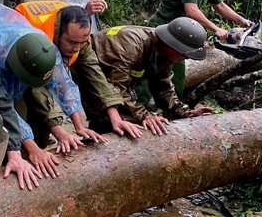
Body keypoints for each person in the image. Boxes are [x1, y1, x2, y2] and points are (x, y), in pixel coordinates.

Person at [0, 3, 92, 185]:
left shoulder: (42, 46)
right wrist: (32, 147)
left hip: (12, 83)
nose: (77, 47)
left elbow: (62, 84)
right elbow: (1, 105)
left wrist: (78, 125)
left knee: (20, 136)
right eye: (73, 42)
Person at [14, 0, 144, 146]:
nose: (77, 48)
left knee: (43, 129)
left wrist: (115, 117)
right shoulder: (36, 38)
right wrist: (60, 132)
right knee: (22, 118)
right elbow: (38, 88)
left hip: (42, 51)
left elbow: (95, 74)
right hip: (19, 59)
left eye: (82, 43)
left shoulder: (77, 35)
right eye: (72, 42)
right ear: (59, 33)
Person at [82, 18, 215, 136]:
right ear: (173, 46)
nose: (185, 58)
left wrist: (184, 112)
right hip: (84, 68)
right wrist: (144, 115)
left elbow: (163, 87)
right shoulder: (130, 47)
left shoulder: (164, 52)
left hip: (110, 79)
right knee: (110, 116)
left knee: (122, 116)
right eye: (184, 54)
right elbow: (115, 88)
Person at [149, 0, 252, 96]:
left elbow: (220, 5)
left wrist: (242, 21)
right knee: (150, 67)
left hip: (178, 33)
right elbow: (192, 11)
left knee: (177, 70)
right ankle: (140, 108)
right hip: (162, 29)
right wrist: (216, 29)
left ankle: (172, 107)